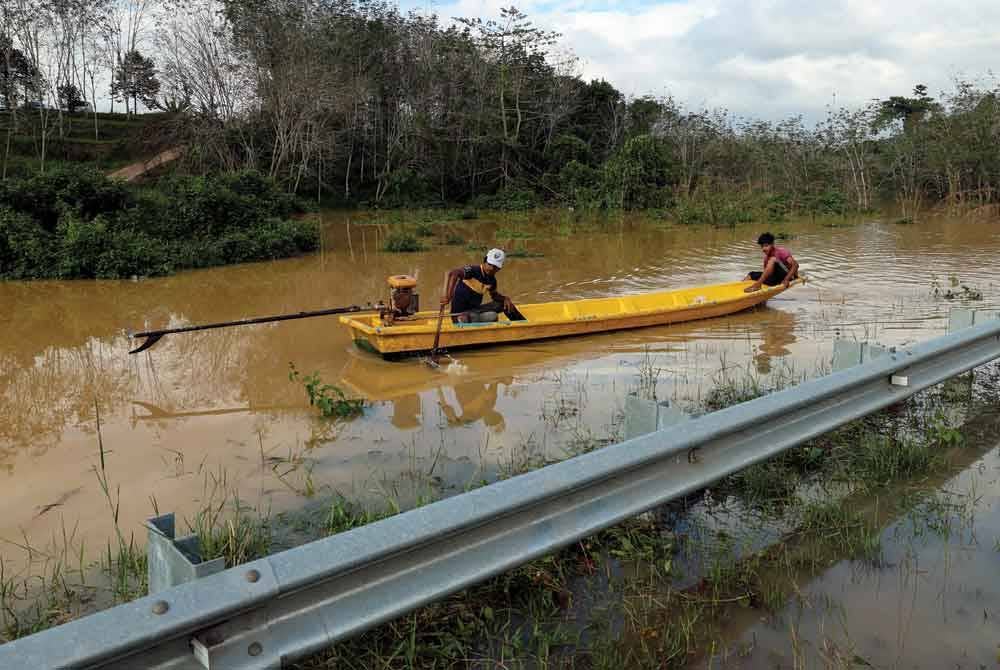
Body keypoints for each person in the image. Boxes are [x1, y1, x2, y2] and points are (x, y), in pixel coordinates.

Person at [440, 248, 526, 323]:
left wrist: (505, 298)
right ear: (485, 261)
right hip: (459, 315)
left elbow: (495, 296)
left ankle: (522, 323)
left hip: (475, 310)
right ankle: (473, 320)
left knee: (503, 304)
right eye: (490, 264)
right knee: (491, 316)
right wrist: (448, 295)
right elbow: (453, 273)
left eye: (495, 267)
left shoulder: (492, 281)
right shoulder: (472, 271)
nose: (492, 269)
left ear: (499, 268)